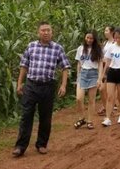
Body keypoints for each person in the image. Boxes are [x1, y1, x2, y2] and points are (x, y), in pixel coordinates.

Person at [12, 22, 71, 157]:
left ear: (52, 32)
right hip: (31, 85)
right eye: (43, 30)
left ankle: (42, 144)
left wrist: (63, 85)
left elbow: (65, 67)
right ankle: (20, 146)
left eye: (48, 30)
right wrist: (19, 83)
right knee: (26, 116)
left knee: (45, 117)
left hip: (48, 86)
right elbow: (24, 65)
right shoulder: (31, 46)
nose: (46, 33)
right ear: (38, 32)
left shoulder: (57, 48)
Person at [74, 30, 104, 130]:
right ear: (85, 38)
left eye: (91, 38)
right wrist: (78, 76)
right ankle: (82, 118)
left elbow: (100, 64)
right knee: (79, 98)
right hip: (83, 74)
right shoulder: (80, 48)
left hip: (93, 74)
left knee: (91, 100)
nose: (89, 40)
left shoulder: (98, 49)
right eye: (87, 37)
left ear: (94, 39)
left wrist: (100, 79)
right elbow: (79, 63)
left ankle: (90, 121)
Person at [102, 27, 120, 127]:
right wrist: (104, 73)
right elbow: (107, 61)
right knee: (110, 96)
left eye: (119, 37)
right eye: (116, 38)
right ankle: (108, 118)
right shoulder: (111, 47)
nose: (117, 39)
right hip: (112, 72)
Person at [98, 25, 115, 116]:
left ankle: (109, 107)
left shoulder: (115, 43)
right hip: (103, 66)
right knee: (101, 89)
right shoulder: (105, 43)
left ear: (111, 32)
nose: (105, 32)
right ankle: (106, 106)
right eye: (105, 30)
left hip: (111, 68)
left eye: (106, 30)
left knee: (107, 89)